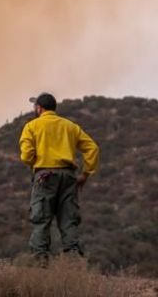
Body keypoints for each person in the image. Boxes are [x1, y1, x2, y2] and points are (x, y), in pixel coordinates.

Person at [19, 92, 100, 265]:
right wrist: (85, 174)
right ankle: (74, 266)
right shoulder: (70, 126)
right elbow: (92, 148)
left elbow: (26, 156)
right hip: (69, 177)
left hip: (45, 176)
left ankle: (40, 264)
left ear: (39, 108)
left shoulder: (31, 126)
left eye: (35, 106)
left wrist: (37, 161)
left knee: (41, 220)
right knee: (68, 221)